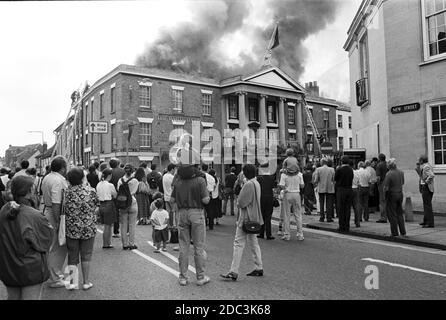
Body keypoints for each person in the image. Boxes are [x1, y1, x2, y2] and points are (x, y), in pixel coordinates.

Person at [0, 176, 54, 300]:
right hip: (31, 269)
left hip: (8, 266)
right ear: (29, 193)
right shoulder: (35, 215)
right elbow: (46, 242)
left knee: (13, 297)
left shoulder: (4, 210)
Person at [170, 154, 210, 286]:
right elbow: (205, 200)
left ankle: (183, 277)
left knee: (183, 246)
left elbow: (172, 200)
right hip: (197, 212)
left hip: (182, 213)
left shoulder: (178, 181)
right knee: (199, 246)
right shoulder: (200, 180)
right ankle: (200, 277)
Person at [220, 164, 263, 281]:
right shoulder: (256, 183)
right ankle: (259, 267)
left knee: (238, 243)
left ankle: (233, 271)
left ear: (245, 173)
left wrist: (242, 186)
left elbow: (240, 202)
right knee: (254, 243)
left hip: (246, 218)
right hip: (254, 217)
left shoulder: (248, 184)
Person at [64, 167, 99, 290]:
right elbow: (96, 207)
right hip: (88, 228)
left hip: (71, 228)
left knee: (72, 256)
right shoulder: (91, 191)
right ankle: (86, 282)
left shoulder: (66, 192)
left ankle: (72, 283)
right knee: (86, 255)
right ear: (82, 178)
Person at [40, 156, 69, 288]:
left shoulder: (48, 177)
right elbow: (56, 202)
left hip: (48, 210)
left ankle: (54, 273)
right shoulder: (58, 180)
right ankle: (54, 277)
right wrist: (58, 221)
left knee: (52, 246)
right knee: (58, 246)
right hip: (54, 213)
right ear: (63, 168)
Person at [279, 164, 305, 241]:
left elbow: (281, 185)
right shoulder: (299, 174)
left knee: (286, 215)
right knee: (298, 214)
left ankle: (287, 235)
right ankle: (300, 234)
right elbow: (302, 186)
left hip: (287, 194)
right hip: (297, 194)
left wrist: (286, 187)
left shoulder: (284, 175)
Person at [117, 164, 139, 250]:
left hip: (123, 203)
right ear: (132, 171)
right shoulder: (135, 181)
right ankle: (131, 243)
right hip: (132, 202)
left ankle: (124, 244)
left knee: (123, 225)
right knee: (132, 225)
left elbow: (118, 190)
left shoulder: (120, 180)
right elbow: (134, 191)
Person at [383, 159, 406, 237]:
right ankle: (403, 231)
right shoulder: (401, 172)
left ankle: (394, 232)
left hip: (392, 194)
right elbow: (403, 182)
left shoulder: (389, 174)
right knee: (399, 213)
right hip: (400, 193)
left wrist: (384, 195)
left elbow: (386, 187)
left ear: (389, 166)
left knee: (392, 214)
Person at [96, 169, 117, 248]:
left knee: (106, 225)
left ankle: (107, 243)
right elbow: (115, 195)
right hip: (109, 204)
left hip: (101, 205)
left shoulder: (98, 184)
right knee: (108, 226)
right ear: (110, 175)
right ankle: (106, 243)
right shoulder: (110, 185)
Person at [334, 156, 354, 233]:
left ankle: (341, 226)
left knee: (341, 209)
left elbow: (335, 179)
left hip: (341, 190)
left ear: (341, 161)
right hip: (349, 189)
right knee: (347, 209)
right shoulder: (350, 170)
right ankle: (347, 226)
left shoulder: (339, 169)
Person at [257, 163, 276, 240]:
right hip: (269, 198)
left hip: (261, 198)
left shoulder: (258, 178)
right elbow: (274, 188)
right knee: (268, 216)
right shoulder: (271, 177)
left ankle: (261, 233)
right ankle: (268, 234)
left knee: (261, 215)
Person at [313, 158, 335, 222]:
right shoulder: (332, 169)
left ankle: (322, 217)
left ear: (322, 163)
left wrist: (314, 183)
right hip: (330, 187)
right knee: (329, 203)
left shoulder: (318, 169)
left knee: (321, 203)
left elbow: (316, 180)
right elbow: (333, 179)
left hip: (321, 187)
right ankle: (329, 217)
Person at [416, 155, 435, 228]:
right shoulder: (425, 166)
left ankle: (430, 223)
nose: (418, 161)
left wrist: (426, 182)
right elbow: (421, 175)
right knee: (426, 205)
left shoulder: (426, 166)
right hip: (425, 187)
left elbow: (431, 175)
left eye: (419, 160)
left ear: (421, 160)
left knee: (427, 205)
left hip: (426, 188)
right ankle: (426, 221)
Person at [109, 158, 125, 238]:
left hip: (112, 195)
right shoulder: (123, 171)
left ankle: (116, 231)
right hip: (123, 194)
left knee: (116, 213)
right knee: (125, 212)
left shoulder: (109, 172)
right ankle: (126, 230)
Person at [201, 164, 216, 230]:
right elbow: (214, 186)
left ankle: (203, 224)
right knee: (210, 211)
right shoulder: (211, 177)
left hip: (201, 195)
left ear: (201, 168)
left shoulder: (200, 176)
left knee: (201, 210)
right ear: (207, 169)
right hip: (209, 194)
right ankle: (211, 225)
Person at [376, 153, 389, 223]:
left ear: (379, 158)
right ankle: (388, 215)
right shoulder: (387, 164)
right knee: (387, 200)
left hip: (382, 183)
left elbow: (378, 177)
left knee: (382, 201)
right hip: (388, 183)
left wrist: (377, 185)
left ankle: (383, 217)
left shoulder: (379, 165)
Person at [351, 163, 361, 227]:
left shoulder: (348, 172)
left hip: (349, 189)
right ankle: (357, 222)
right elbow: (359, 182)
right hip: (356, 189)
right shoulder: (357, 172)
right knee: (356, 206)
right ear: (353, 166)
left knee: (347, 207)